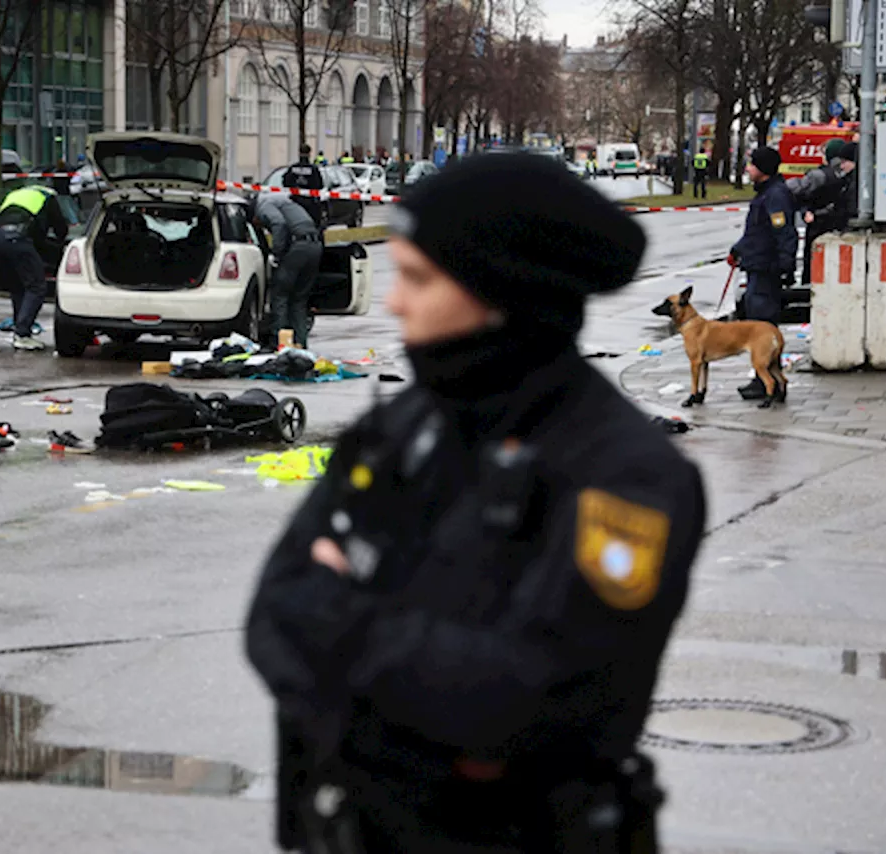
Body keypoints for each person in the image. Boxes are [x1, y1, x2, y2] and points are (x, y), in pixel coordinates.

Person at [246, 152, 706, 854]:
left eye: (418, 278)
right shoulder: (406, 425)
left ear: (502, 292)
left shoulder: (625, 478)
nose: (394, 301)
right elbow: (275, 611)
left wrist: (343, 623)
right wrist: (419, 670)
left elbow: (527, 702)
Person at [729, 145, 796, 399]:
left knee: (763, 329)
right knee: (759, 325)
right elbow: (755, 233)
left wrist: (785, 265)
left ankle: (767, 381)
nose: (748, 169)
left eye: (751, 165)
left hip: (767, 269)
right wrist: (737, 250)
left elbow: (783, 233)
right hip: (757, 265)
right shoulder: (765, 194)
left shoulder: (775, 196)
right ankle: (767, 379)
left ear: (763, 169)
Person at [0, 183, 70, 351]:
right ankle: (23, 334)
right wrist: (58, 245)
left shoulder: (16, 195)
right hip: (17, 238)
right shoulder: (48, 197)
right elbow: (60, 228)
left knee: (17, 286)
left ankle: (20, 328)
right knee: (37, 286)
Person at [251, 192, 322, 350]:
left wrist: (276, 253)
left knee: (280, 295)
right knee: (299, 300)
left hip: (299, 248)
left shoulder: (264, 205)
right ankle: (300, 344)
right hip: (315, 246)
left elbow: (278, 223)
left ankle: (279, 344)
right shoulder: (283, 201)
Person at [788, 138, 847, 286]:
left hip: (818, 226)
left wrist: (806, 211)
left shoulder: (818, 175)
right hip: (841, 227)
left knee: (813, 263)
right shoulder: (851, 175)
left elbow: (799, 190)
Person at [282, 143, 326, 232]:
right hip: (310, 204)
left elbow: (285, 182)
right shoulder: (313, 169)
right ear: (309, 154)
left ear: (299, 153)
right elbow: (319, 185)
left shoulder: (293, 168)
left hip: (295, 202)